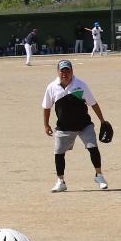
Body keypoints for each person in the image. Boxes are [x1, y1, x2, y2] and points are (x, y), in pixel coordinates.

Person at [42, 59, 108, 192]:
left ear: (72, 71)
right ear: (58, 72)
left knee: (93, 148)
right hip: (64, 127)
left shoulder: (81, 85)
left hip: (84, 125)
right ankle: (61, 181)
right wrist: (46, 125)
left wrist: (102, 120)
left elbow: (93, 103)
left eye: (68, 70)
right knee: (59, 153)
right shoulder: (52, 87)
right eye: (62, 71)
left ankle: (99, 176)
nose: (65, 73)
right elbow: (46, 107)